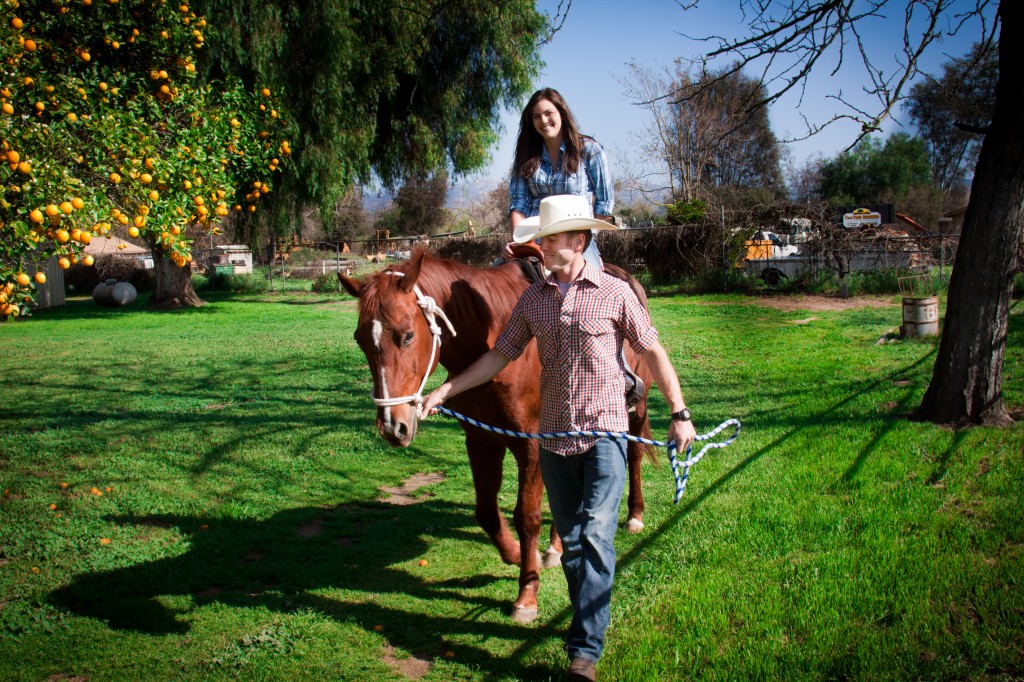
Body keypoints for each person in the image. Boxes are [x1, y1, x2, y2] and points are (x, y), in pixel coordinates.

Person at [423, 194, 697, 682]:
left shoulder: (614, 294)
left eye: (549, 238)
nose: (541, 246)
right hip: (553, 441)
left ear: (579, 240)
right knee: (571, 543)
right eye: (541, 237)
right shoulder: (534, 299)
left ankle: (585, 651)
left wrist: (680, 412)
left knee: (593, 535)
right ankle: (585, 623)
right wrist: (447, 387)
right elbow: (497, 358)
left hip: (606, 437)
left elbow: (654, 352)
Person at [504, 88, 613, 269]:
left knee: (591, 281)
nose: (543, 121)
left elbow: (604, 202)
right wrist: (521, 242)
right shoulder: (526, 156)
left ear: (561, 113)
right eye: (536, 116)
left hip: (577, 241)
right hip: (536, 241)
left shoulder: (590, 150)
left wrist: (584, 239)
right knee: (495, 281)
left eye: (548, 113)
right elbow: (518, 205)